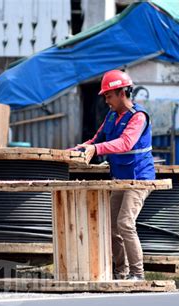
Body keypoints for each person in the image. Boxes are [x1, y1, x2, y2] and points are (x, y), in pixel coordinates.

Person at [74, 70, 155, 281]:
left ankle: (138, 274)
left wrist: (97, 149)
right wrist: (78, 149)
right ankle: (122, 272)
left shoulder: (138, 117)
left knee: (125, 223)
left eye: (109, 95)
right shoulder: (111, 116)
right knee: (111, 225)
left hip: (139, 179)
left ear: (121, 93)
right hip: (120, 178)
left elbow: (126, 143)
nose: (106, 100)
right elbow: (95, 140)